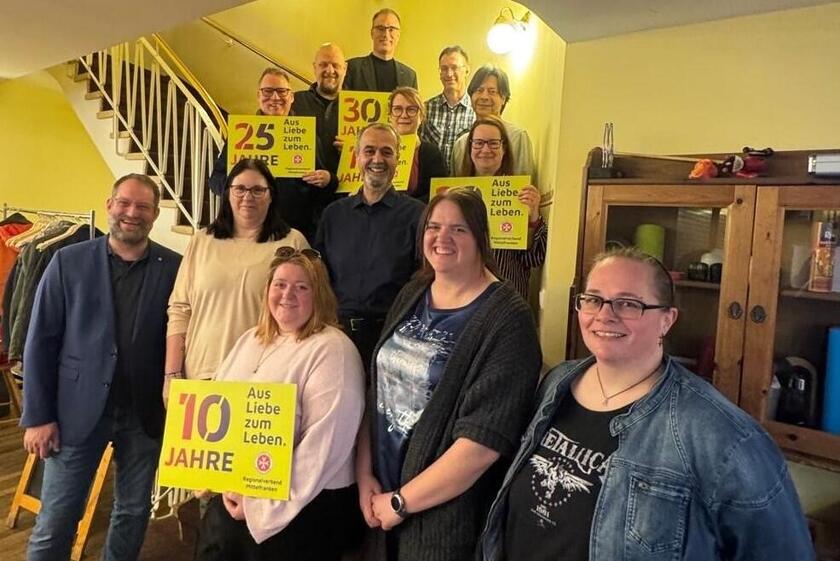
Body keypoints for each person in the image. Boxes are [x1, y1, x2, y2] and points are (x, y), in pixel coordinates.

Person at [481, 247, 815, 561]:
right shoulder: (558, 382)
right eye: (593, 299)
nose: (604, 315)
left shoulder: (722, 435)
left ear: (667, 319)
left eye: (628, 304)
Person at [356, 188, 542, 561]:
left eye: (459, 229)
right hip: (379, 501)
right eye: (434, 226)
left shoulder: (508, 319)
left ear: (481, 238)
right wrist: (364, 475)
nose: (442, 238)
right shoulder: (414, 291)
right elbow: (377, 388)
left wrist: (401, 502)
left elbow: (482, 445)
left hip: (443, 523)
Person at [21, 174, 181, 561]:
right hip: (75, 412)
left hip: (144, 416)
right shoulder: (67, 260)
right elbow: (40, 341)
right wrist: (37, 416)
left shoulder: (175, 267)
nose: (132, 213)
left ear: (155, 214)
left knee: (132, 513)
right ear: (109, 205)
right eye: (124, 203)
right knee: (57, 518)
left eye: (143, 206)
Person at [195, 247, 365, 561]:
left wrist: (260, 506)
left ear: (320, 296)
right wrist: (208, 475)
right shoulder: (251, 339)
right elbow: (217, 407)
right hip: (234, 498)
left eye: (302, 287)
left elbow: (323, 449)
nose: (288, 294)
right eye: (280, 284)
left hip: (301, 512)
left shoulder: (333, 349)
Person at [166, 158, 309, 388]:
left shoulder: (292, 242)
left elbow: (308, 313)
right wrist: (171, 375)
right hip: (201, 375)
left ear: (271, 195)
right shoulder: (202, 241)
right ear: (228, 192)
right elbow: (180, 310)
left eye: (258, 190)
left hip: (266, 378)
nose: (247, 197)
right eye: (240, 188)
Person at [315, 123, 424, 370]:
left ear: (398, 159)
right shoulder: (333, 215)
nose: (377, 159)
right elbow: (320, 277)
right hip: (337, 337)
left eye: (386, 152)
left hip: (395, 341)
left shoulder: (418, 216)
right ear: (356, 157)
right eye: (369, 151)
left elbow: (424, 278)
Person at [209, 67, 336, 241]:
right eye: (268, 91)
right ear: (258, 96)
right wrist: (237, 185)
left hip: (294, 233)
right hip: (246, 234)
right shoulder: (241, 134)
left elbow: (326, 188)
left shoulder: (308, 135)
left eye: (282, 91)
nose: (275, 98)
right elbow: (215, 179)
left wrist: (328, 179)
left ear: (291, 97)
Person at [458, 115, 546, 300]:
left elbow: (534, 259)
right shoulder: (454, 196)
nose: (485, 149)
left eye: (493, 143)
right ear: (469, 148)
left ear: (504, 148)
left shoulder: (520, 195)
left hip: (507, 299)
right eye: (478, 143)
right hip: (462, 297)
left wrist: (533, 217)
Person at [451, 65, 536, 182]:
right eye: (479, 91)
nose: (484, 97)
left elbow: (525, 186)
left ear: (503, 99)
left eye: (492, 91)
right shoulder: (460, 144)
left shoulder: (518, 137)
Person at [293, 43, 346, 176]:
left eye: (335, 65)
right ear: (314, 68)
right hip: (303, 190)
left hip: (345, 191)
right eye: (323, 65)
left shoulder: (359, 106)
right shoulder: (295, 102)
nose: (329, 70)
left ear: (345, 69)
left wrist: (352, 151)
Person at [420, 46, 475, 171]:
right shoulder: (425, 109)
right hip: (429, 184)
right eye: (444, 69)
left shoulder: (477, 110)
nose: (449, 74)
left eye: (454, 68)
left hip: (464, 183)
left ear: (467, 70)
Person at [388, 87, 447, 202]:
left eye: (411, 109)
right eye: (397, 109)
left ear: (421, 116)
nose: (404, 115)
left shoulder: (432, 153)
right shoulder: (377, 151)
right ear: (390, 116)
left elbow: (437, 193)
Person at [343, 9, 418, 92]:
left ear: (398, 35)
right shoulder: (352, 68)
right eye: (380, 28)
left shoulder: (410, 76)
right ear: (372, 33)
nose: (386, 34)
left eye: (391, 29)